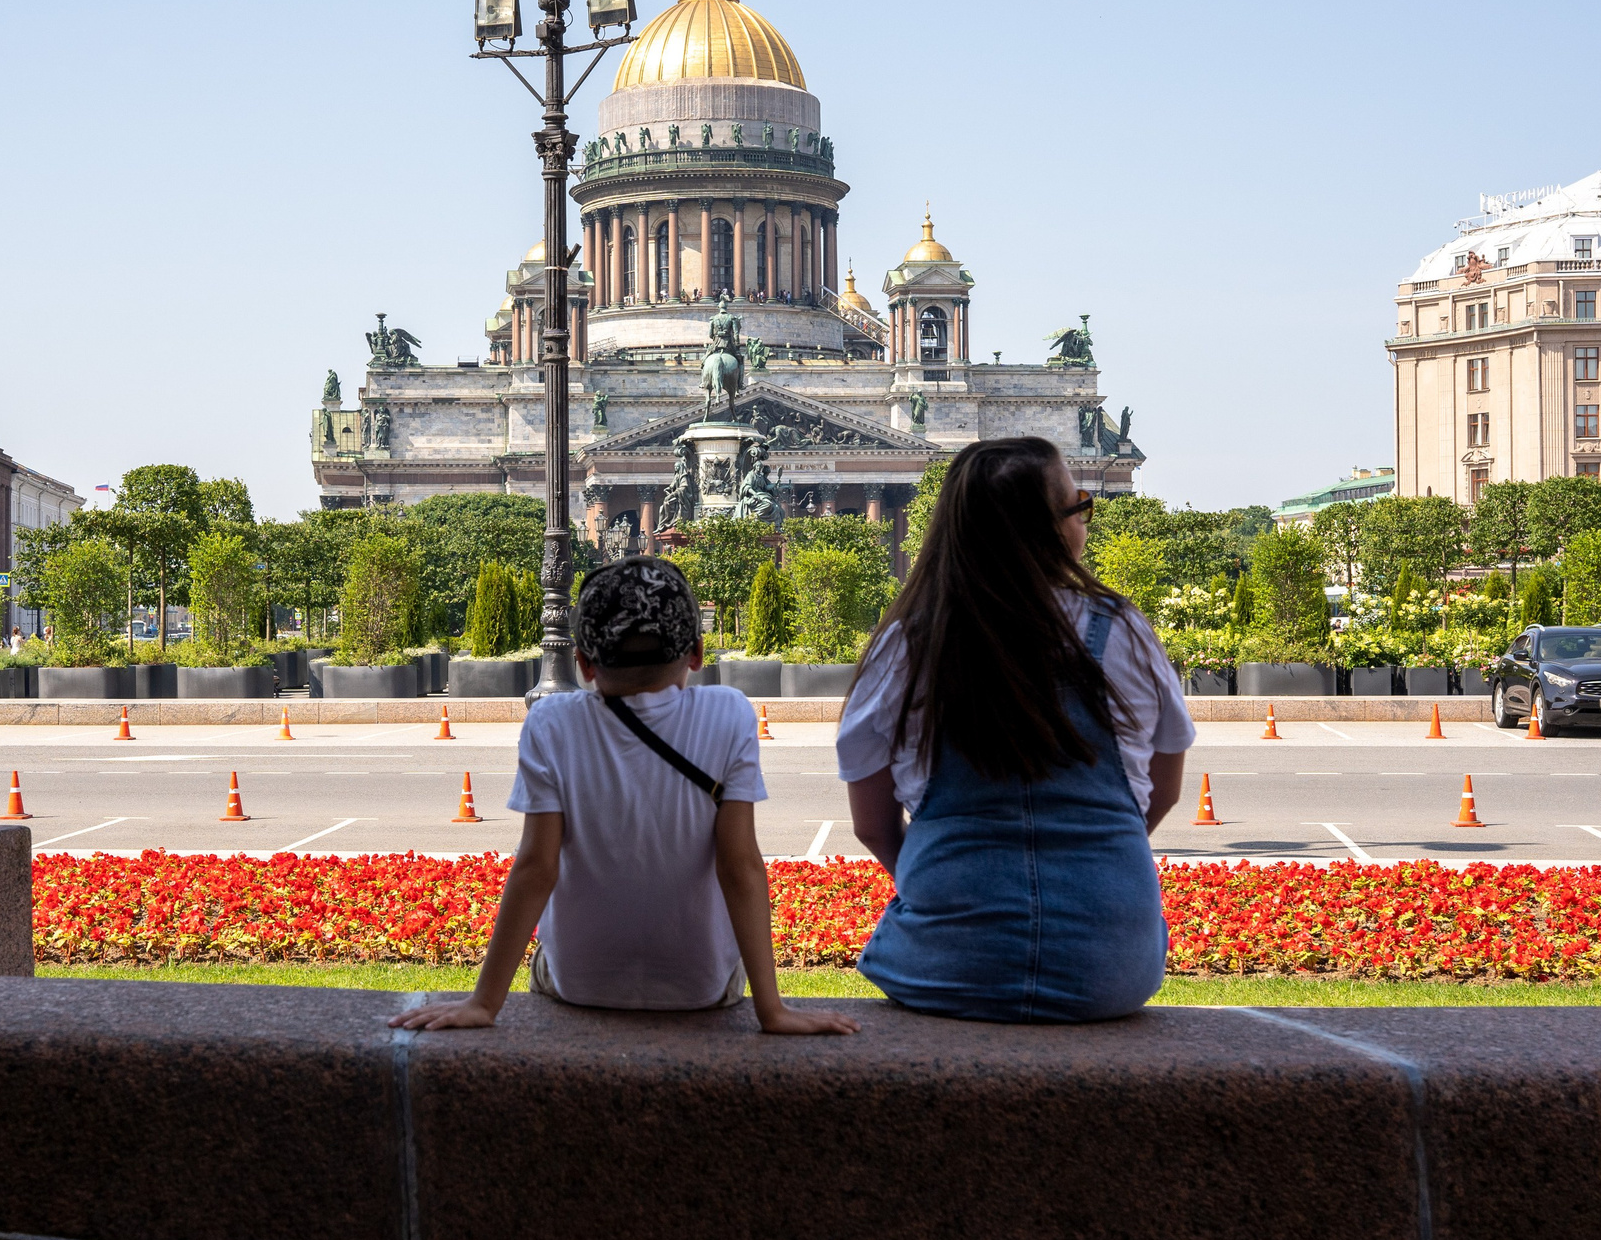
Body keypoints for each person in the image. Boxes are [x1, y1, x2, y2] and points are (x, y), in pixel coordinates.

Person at [392, 556, 855, 1037]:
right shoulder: (730, 714)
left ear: (584, 664)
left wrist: (484, 1003)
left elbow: (536, 867)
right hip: (703, 987)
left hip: (578, 982)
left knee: (545, 962)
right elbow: (739, 865)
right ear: (696, 653)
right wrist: (772, 1010)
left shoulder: (552, 722)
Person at [837, 438, 1193, 1023]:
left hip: (947, 964)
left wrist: (946, 886)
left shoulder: (905, 644)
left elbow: (871, 825)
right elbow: (1166, 789)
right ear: (1052, 527)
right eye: (1079, 503)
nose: (1085, 517)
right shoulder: (1123, 630)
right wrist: (1095, 858)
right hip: (1111, 969)